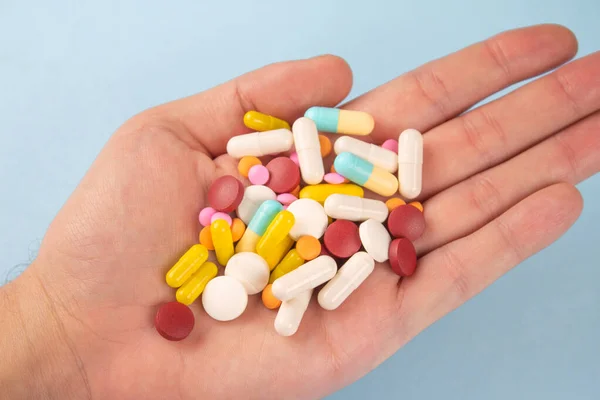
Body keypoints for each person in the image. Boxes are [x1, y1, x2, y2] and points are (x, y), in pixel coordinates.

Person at [1, 23, 599, 400]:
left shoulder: (312, 210)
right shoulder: (249, 235)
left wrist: (47, 335)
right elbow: (285, 202)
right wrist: (50, 331)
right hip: (262, 251)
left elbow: (305, 208)